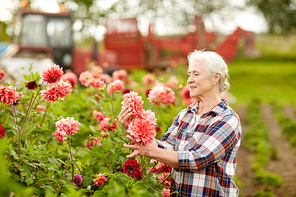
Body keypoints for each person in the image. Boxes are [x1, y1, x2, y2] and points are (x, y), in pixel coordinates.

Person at [118, 50, 242, 197]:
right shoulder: (185, 114)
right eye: (189, 74)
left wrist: (150, 151)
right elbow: (167, 146)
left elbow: (198, 159)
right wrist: (133, 127)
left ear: (215, 78)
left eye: (196, 74)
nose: (189, 79)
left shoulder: (227, 119)